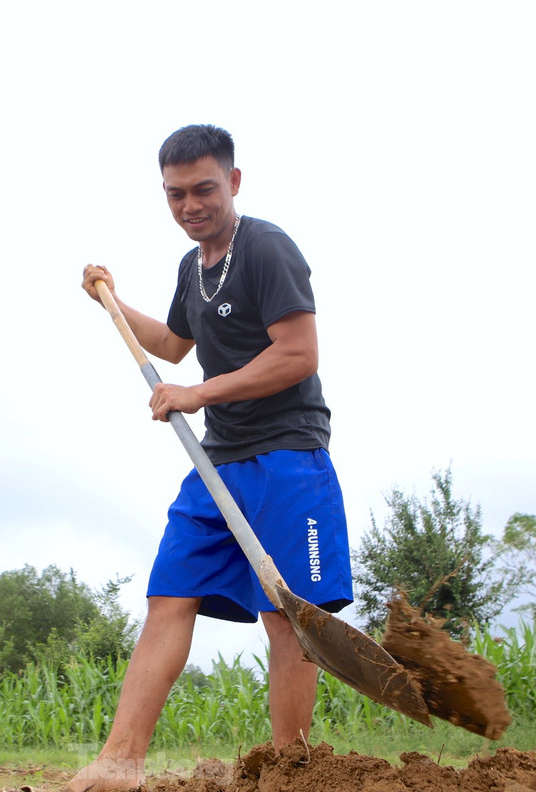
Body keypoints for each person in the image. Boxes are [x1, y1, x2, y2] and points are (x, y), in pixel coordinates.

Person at [72, 124, 353, 792]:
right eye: (175, 194)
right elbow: (174, 344)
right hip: (216, 462)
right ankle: (118, 764)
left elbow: (298, 354)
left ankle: (289, 773)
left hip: (287, 458)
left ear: (233, 181)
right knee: (168, 598)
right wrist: (111, 302)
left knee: (286, 619)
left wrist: (198, 393)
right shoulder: (190, 267)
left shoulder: (266, 248)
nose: (190, 205)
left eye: (203, 189)